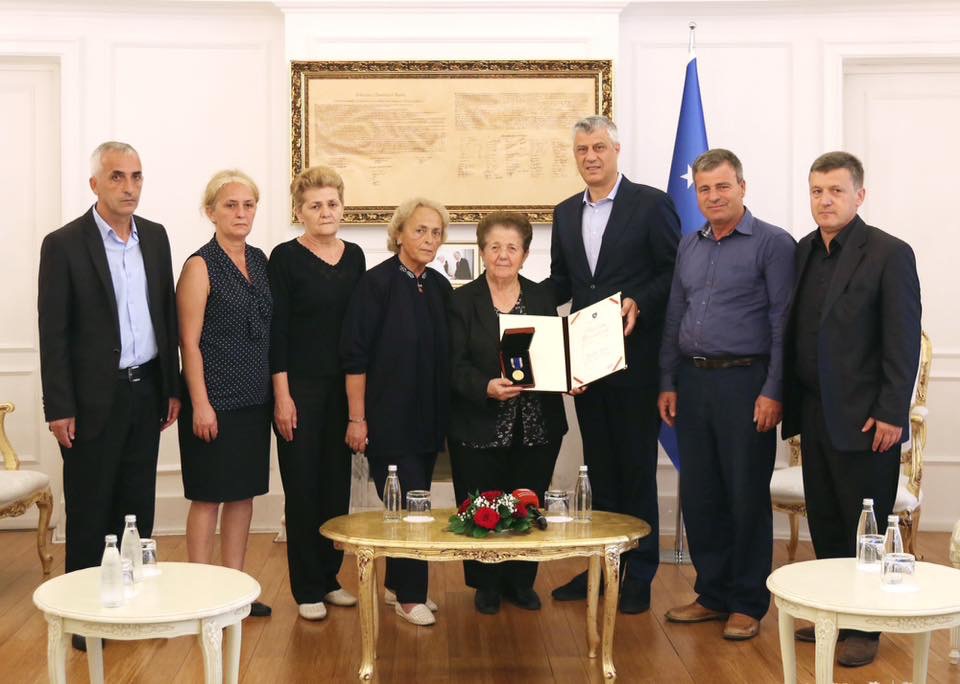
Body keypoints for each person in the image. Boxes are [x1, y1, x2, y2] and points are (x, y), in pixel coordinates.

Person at [38, 141, 181, 651]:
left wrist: (173, 386)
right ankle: (84, 620)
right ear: (95, 184)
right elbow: (52, 333)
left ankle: (136, 610)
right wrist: (59, 407)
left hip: (146, 392)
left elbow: (165, 315)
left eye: (137, 176)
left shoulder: (157, 238)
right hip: (91, 402)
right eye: (117, 177)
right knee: (91, 508)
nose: (129, 187)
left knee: (137, 506)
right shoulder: (64, 244)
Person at [782, 151, 921, 667]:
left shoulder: (889, 253)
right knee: (826, 520)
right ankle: (834, 613)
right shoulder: (801, 252)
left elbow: (901, 342)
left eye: (836, 191)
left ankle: (866, 626)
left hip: (867, 420)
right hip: (814, 413)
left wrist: (892, 412)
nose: (825, 200)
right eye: (817, 190)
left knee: (866, 523)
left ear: (859, 195)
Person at [657, 149, 795, 640]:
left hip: (746, 384)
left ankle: (746, 601)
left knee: (744, 495)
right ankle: (712, 593)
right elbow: (675, 315)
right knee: (702, 495)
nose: (713, 196)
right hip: (693, 384)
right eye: (704, 188)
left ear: (742, 186)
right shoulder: (689, 245)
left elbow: (783, 324)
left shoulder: (773, 244)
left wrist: (773, 390)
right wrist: (668, 381)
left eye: (722, 186)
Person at [547, 115, 680, 613]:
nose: (591, 157)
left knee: (635, 469)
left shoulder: (650, 204)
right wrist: (509, 301)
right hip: (587, 363)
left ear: (616, 150)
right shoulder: (564, 213)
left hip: (637, 361)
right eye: (582, 150)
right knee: (599, 469)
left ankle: (639, 572)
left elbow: (674, 272)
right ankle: (603, 566)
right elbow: (563, 282)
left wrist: (638, 300)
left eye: (599, 147)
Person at [448, 211, 568, 615]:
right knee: (482, 502)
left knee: (526, 501)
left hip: (537, 424)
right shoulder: (461, 300)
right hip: (479, 421)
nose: (503, 255)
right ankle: (486, 584)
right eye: (494, 246)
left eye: (511, 247)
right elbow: (453, 364)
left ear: (526, 253)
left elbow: (554, 354)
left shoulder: (542, 297)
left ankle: (521, 581)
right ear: (482, 252)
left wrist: (572, 376)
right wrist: (485, 387)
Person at [341, 198, 452, 626]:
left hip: (429, 420)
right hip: (388, 419)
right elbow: (355, 357)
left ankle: (394, 586)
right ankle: (411, 596)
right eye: (420, 230)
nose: (429, 239)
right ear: (400, 233)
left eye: (436, 232)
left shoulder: (439, 287)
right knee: (412, 505)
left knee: (413, 498)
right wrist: (357, 418)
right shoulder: (376, 284)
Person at [269, 166, 366, 621]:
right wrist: (282, 398)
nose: (325, 212)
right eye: (315, 205)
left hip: (343, 389)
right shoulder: (284, 258)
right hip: (299, 391)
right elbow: (278, 334)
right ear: (299, 211)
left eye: (332, 203)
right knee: (303, 489)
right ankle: (306, 586)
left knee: (335, 487)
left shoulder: (356, 257)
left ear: (342, 206)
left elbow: (358, 333)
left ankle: (329, 579)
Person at [177, 170, 273, 617]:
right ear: (210, 211)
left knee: (242, 495)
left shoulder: (260, 259)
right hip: (213, 402)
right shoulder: (199, 265)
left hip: (254, 400)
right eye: (230, 205)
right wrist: (200, 403)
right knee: (208, 496)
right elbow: (188, 342)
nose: (240, 212)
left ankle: (236, 594)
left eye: (247, 204)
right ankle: (199, 594)